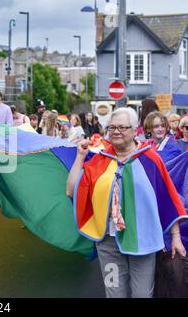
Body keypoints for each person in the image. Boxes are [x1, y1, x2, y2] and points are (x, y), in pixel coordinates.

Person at [67, 107, 187, 298]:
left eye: (122, 127)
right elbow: (71, 190)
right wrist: (80, 157)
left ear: (134, 130)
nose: (116, 131)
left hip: (143, 241)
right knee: (114, 293)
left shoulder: (150, 159)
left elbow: (167, 199)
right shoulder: (100, 161)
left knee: (142, 294)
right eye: (112, 127)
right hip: (108, 243)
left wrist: (175, 237)